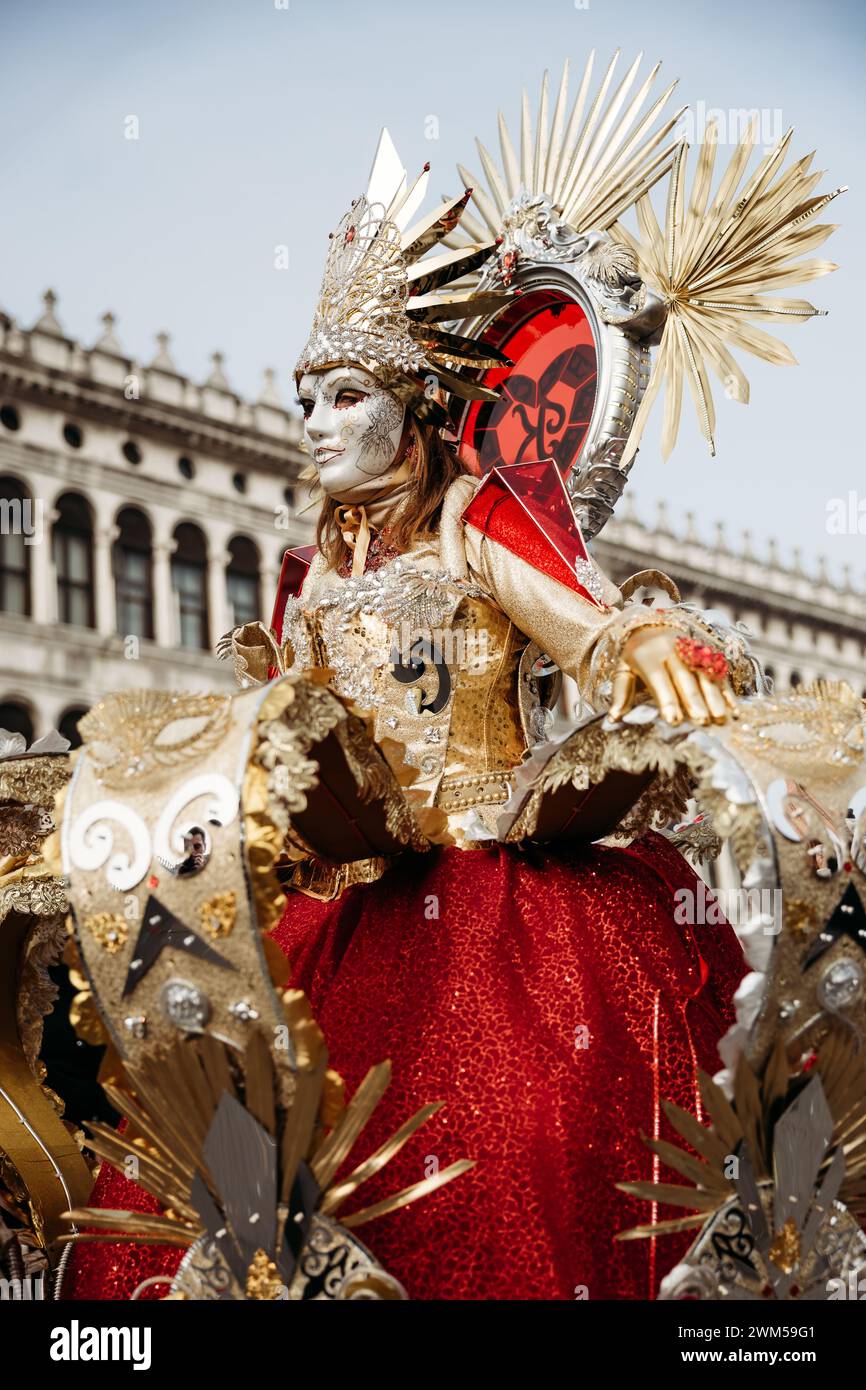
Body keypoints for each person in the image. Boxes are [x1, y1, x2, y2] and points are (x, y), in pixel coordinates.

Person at [64, 126, 748, 1301]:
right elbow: (281, 726)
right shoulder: (311, 571)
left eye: (345, 396)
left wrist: (650, 641)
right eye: (304, 398)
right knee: (225, 1150)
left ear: (416, 405)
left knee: (511, 1136)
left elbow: (590, 626)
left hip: (503, 907)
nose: (314, 423)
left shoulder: (477, 524)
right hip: (351, 907)